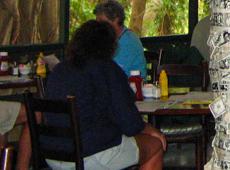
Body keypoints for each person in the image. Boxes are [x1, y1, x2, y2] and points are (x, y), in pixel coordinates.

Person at [44, 20, 166, 170]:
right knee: (155, 145)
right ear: (109, 45)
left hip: (53, 154)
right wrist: (150, 130)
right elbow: (129, 123)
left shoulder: (59, 70)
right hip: (90, 154)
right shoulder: (107, 70)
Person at [94, 0, 146, 78]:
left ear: (115, 20)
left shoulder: (130, 41)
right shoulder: (108, 38)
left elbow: (112, 73)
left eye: (101, 21)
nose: (98, 26)